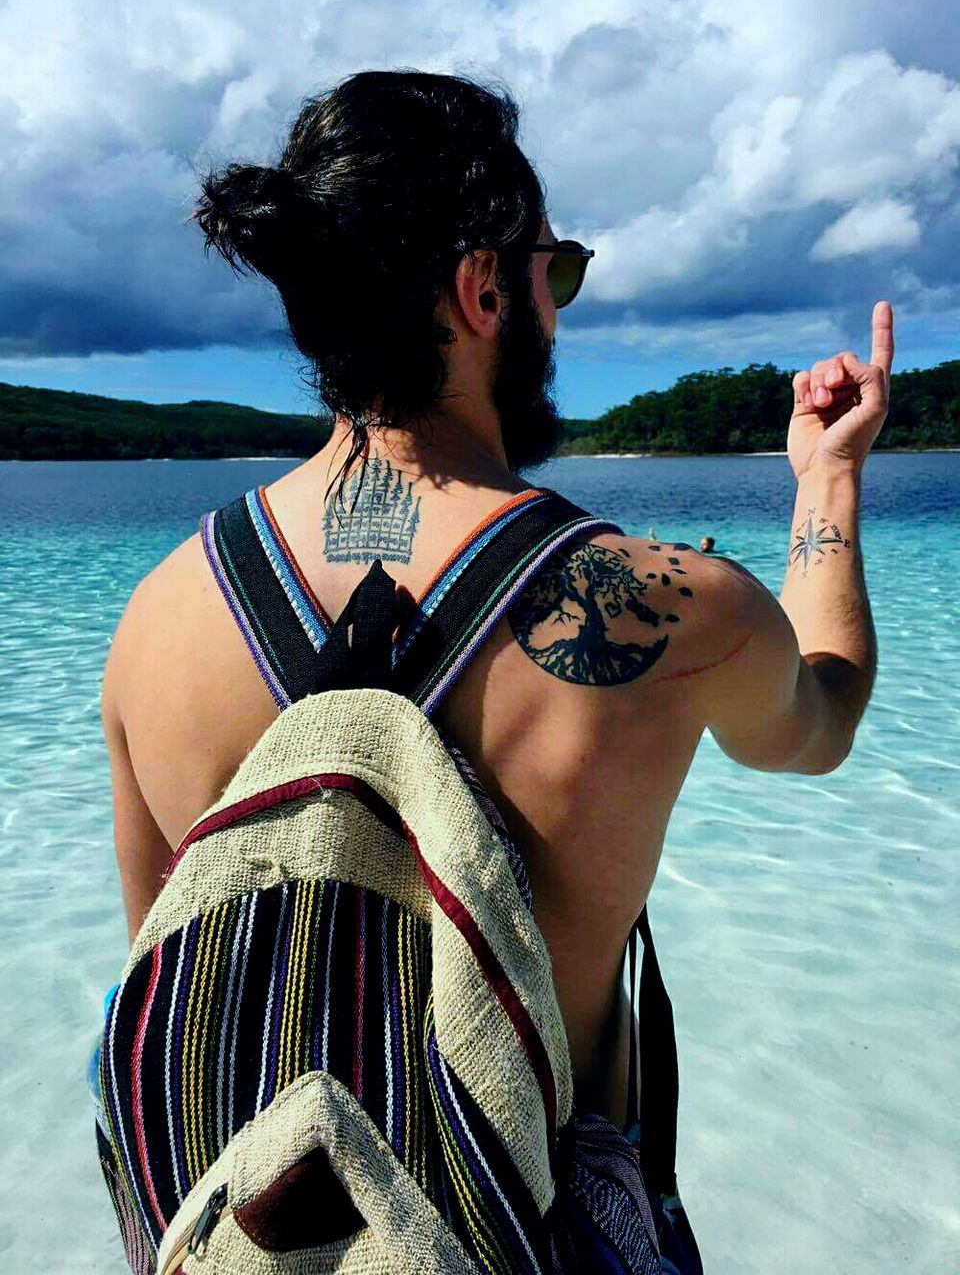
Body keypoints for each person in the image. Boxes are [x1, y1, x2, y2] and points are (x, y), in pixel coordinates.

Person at [99, 67, 891, 1248]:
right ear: (482, 290)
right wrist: (828, 482)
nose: (559, 311)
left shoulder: (153, 624)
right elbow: (822, 718)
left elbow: (173, 984)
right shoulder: (666, 608)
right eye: (554, 269)